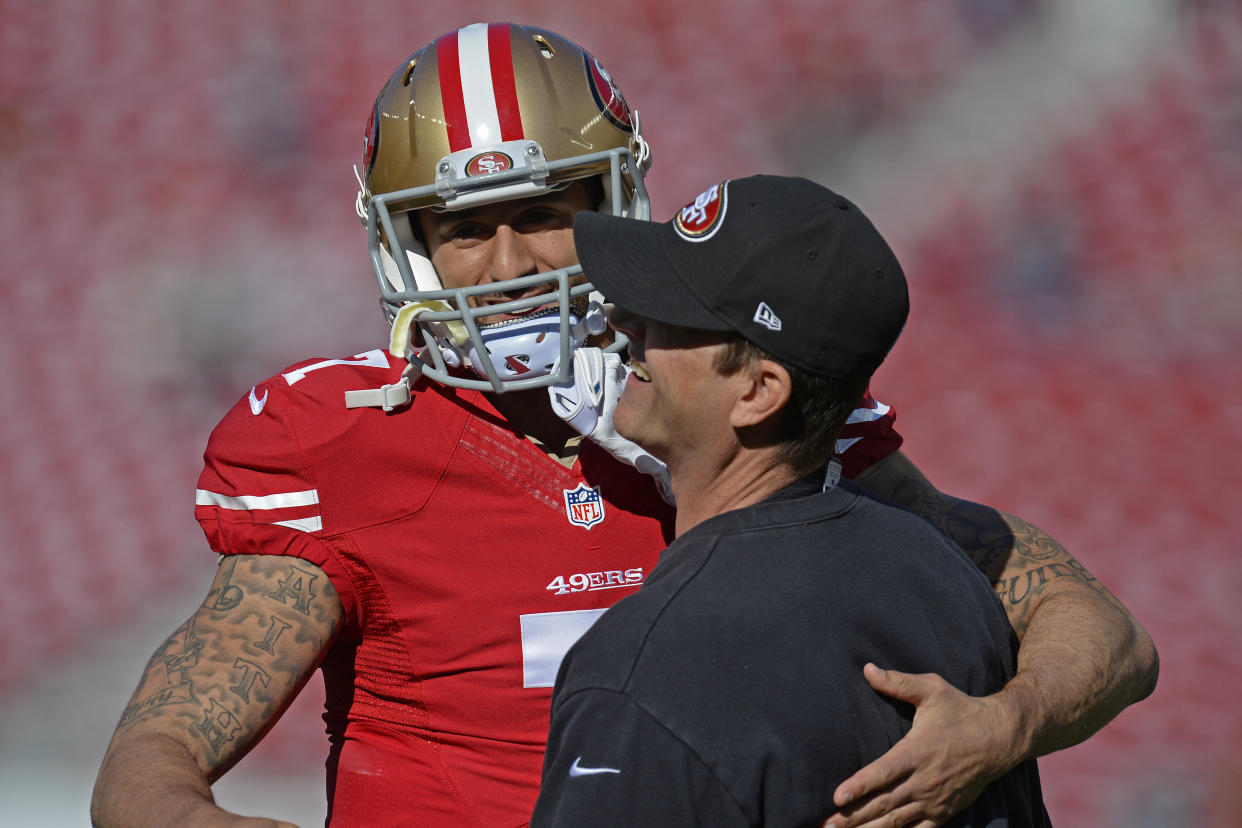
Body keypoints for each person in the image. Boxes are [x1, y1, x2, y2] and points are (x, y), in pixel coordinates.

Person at [89, 22, 1155, 828]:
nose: (507, 266)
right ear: (406, 245)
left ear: (615, 202)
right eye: (464, 230)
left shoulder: (734, 412)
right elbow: (149, 771)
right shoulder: (348, 435)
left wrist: (1007, 724)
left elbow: (1095, 626)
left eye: (543, 214)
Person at [532, 173, 1053, 827]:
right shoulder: (947, 575)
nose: (623, 324)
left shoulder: (645, 667)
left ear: (759, 391)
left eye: (668, 313)